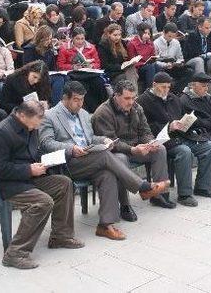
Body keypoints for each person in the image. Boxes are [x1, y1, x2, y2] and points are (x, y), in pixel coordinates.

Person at [40, 81, 169, 240]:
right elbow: (46, 143)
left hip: (89, 157)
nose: (80, 103)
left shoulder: (83, 114)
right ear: (64, 98)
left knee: (107, 173)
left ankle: (105, 225)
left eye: (82, 99)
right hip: (68, 162)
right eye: (76, 100)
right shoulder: (49, 116)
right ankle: (142, 187)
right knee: (106, 155)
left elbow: (90, 138)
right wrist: (70, 148)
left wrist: (104, 140)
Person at [0, 100, 83, 269]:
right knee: (43, 202)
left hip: (27, 177)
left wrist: (44, 162)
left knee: (64, 183)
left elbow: (31, 153)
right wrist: (29, 170)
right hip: (6, 184)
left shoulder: (30, 127)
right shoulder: (2, 132)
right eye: (36, 121)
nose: (38, 126)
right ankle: (15, 253)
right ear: (22, 115)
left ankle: (61, 236)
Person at [137, 72, 211, 207]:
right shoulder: (142, 101)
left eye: (168, 87)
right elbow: (144, 128)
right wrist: (169, 127)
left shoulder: (173, 98)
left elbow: (181, 116)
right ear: (154, 85)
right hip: (163, 141)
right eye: (163, 87)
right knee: (184, 151)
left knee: (210, 146)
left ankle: (203, 187)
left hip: (182, 136)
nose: (166, 90)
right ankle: (185, 194)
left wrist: (185, 122)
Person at [92, 79, 174, 208]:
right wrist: (132, 149)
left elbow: (145, 131)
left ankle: (159, 195)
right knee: (121, 158)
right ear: (116, 95)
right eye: (127, 98)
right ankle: (125, 205)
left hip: (135, 148)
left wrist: (151, 142)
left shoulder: (136, 107)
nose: (131, 102)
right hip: (114, 152)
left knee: (160, 149)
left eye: (133, 98)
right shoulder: (103, 113)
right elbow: (111, 143)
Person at [57, 26, 109, 112]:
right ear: (72, 38)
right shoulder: (65, 48)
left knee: (99, 83)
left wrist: (91, 66)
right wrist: (73, 66)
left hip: (90, 74)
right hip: (75, 75)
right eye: (77, 39)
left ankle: (103, 108)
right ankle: (87, 110)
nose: (80, 41)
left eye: (82, 39)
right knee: (81, 87)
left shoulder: (91, 47)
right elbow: (60, 65)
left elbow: (98, 63)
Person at [153, 22, 194, 94]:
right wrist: (165, 65)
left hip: (173, 66)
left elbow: (180, 57)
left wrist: (178, 63)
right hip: (162, 67)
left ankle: (175, 92)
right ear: (164, 33)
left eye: (173, 37)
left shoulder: (176, 42)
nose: (171, 39)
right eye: (169, 36)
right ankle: (172, 91)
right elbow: (154, 61)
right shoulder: (156, 43)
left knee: (189, 72)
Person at [97, 23, 139, 89]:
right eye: (115, 35)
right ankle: (134, 94)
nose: (117, 37)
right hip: (112, 74)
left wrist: (129, 63)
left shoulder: (122, 43)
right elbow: (105, 65)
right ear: (109, 34)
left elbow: (126, 59)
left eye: (119, 35)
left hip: (122, 70)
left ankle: (133, 94)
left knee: (132, 69)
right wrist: (121, 67)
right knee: (130, 74)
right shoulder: (103, 46)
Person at [126, 23, 158, 90]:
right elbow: (132, 61)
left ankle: (158, 87)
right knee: (150, 67)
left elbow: (153, 56)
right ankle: (149, 89)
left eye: (149, 34)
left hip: (148, 65)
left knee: (157, 66)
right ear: (140, 32)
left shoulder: (150, 43)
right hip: (138, 68)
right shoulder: (132, 44)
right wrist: (143, 63)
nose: (147, 36)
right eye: (145, 33)